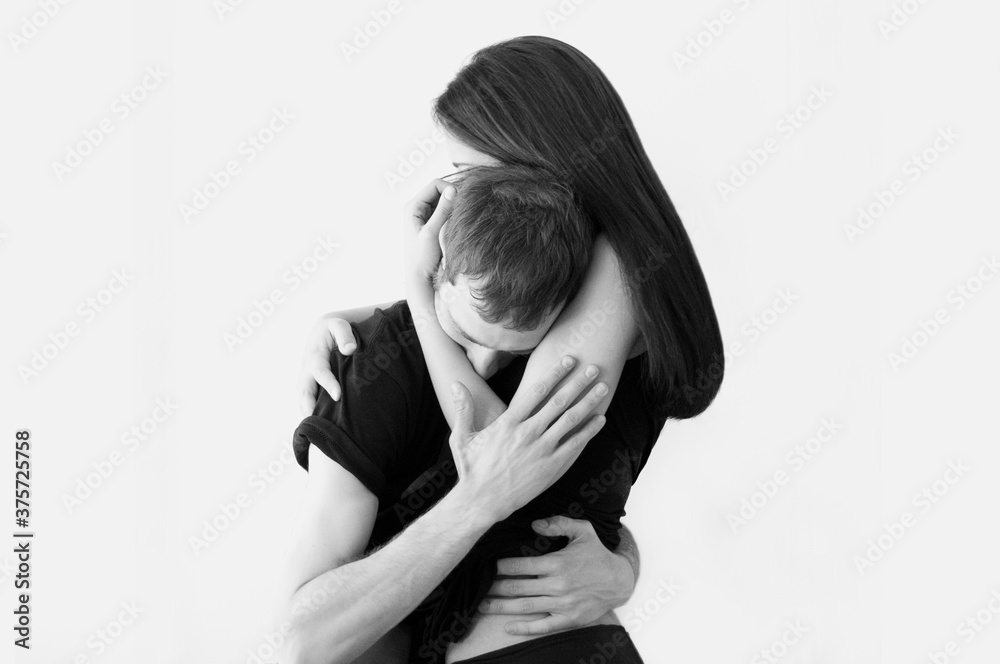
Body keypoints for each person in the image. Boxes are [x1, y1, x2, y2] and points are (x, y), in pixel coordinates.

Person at [292, 36, 724, 662]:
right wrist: (361, 319)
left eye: (468, 172)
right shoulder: (541, 285)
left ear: (538, 156)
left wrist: (418, 286)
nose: (453, 194)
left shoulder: (618, 265)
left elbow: (509, 446)